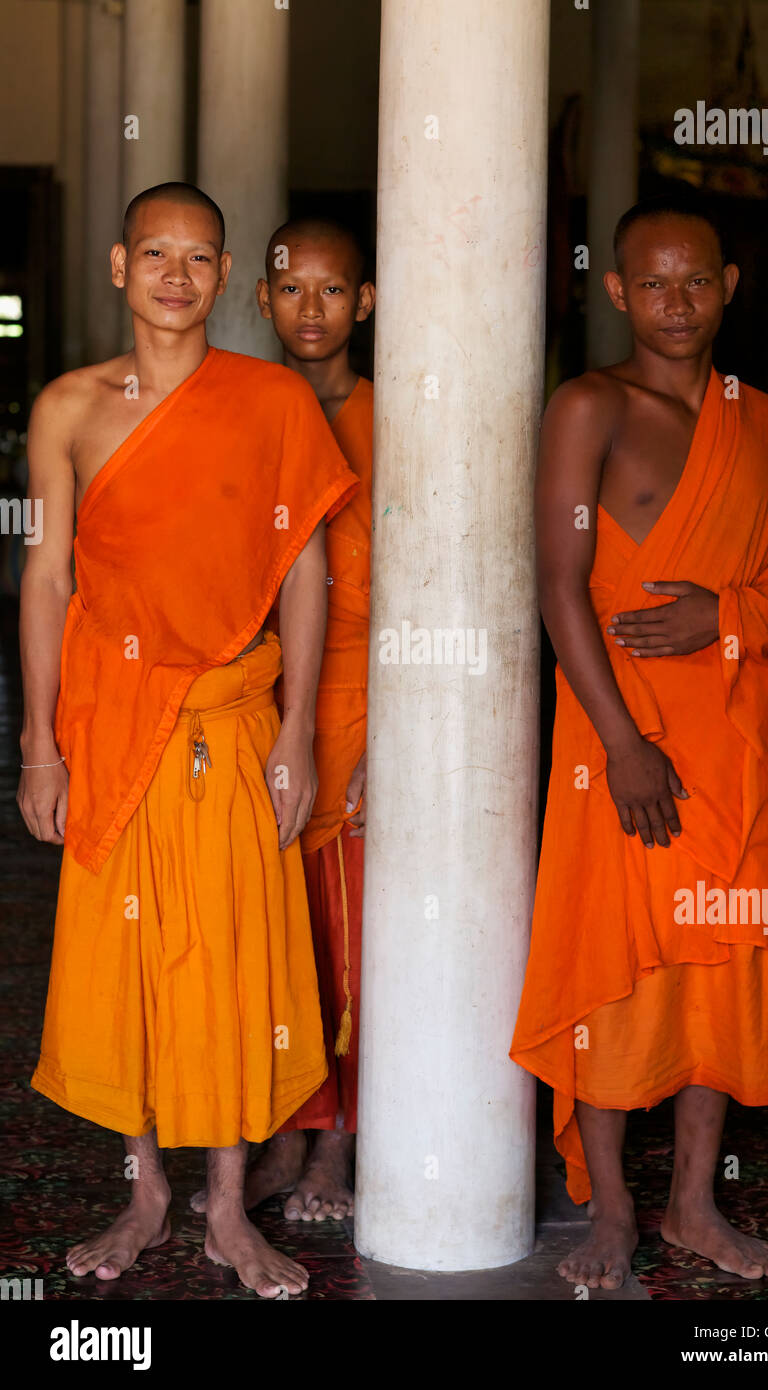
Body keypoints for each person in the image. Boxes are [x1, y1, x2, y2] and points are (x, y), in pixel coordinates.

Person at [19, 183, 360, 1298]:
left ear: (224, 279)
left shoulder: (269, 402)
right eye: (155, 253)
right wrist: (39, 744)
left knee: (231, 966)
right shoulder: (70, 405)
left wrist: (298, 731)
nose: (176, 273)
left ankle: (224, 1206)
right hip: (111, 727)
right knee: (132, 968)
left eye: (199, 256)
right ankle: (145, 1192)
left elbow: (301, 569)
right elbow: (49, 577)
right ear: (119, 267)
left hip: (232, 718)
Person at [510, 193, 768, 1291]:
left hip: (735, 744)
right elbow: (557, 587)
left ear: (728, 285)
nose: (676, 302)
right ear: (614, 291)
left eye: (696, 280)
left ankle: (692, 1203)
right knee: (612, 964)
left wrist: (725, 615)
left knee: (717, 965)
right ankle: (607, 1211)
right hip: (623, 738)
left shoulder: (763, 420)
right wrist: (621, 741)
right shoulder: (587, 405)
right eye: (651, 283)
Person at [192, 217, 374, 1223]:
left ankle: (329, 1154)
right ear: (259, 300)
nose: (311, 308)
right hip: (245, 695)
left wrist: (398, 733)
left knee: (343, 938)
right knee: (262, 932)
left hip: (351, 694)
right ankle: (273, 1126)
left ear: (366, 302)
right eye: (291, 289)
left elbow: (428, 588)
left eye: (333, 290)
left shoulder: (395, 417)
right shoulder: (234, 409)